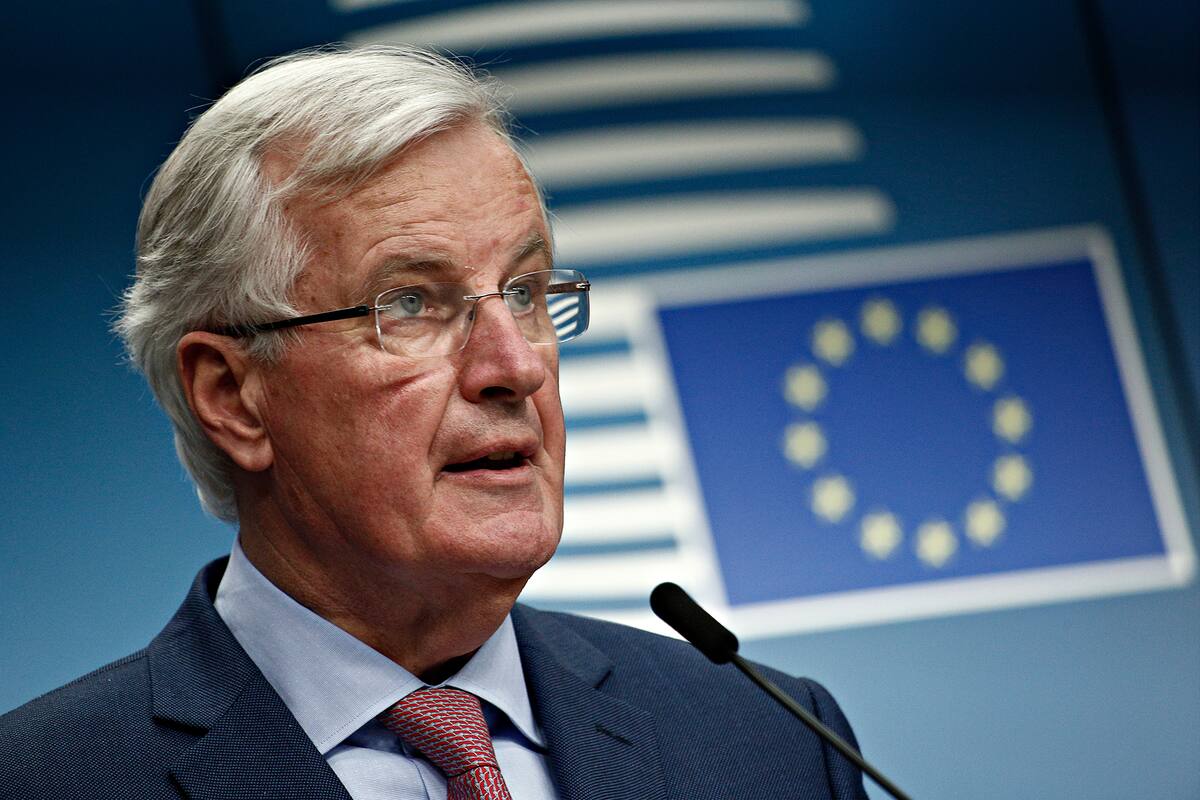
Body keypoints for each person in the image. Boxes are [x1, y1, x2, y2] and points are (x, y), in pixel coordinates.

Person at [0, 46, 868, 799]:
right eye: (410, 303)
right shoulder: (45, 781)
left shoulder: (771, 741)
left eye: (524, 294)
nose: (515, 366)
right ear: (232, 395)